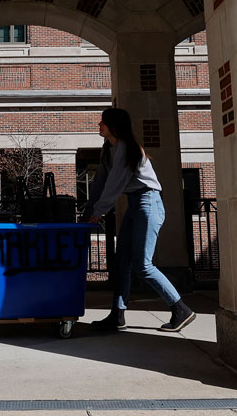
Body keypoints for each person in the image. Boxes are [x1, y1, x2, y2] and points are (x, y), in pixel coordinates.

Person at [83, 107, 195, 332]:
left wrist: (98, 211)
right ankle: (117, 315)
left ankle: (181, 309)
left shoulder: (126, 148)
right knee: (122, 262)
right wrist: (89, 210)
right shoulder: (108, 149)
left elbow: (114, 183)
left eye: (103, 121)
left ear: (114, 126)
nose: (99, 124)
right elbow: (100, 182)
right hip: (135, 205)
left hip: (148, 203)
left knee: (143, 264)